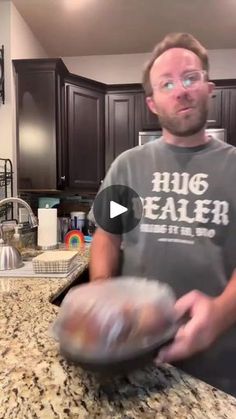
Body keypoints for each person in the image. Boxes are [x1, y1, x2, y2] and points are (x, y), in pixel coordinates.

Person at [89, 33, 236, 396]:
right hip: (133, 359)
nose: (180, 90)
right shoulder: (129, 167)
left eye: (190, 78)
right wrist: (102, 294)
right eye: (167, 83)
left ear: (208, 88)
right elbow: (108, 235)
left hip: (216, 369)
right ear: (153, 103)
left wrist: (220, 312)